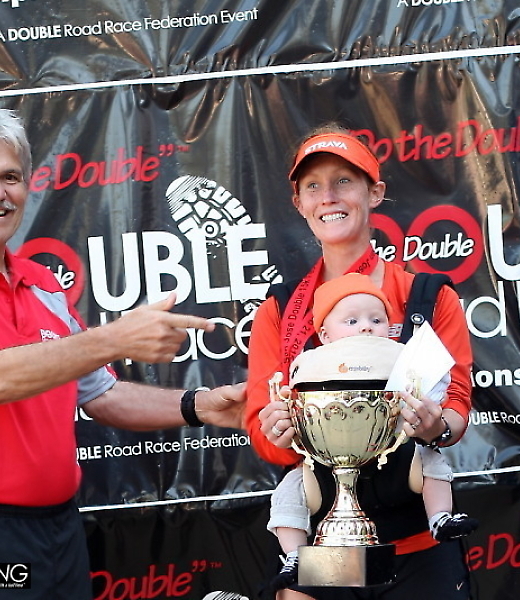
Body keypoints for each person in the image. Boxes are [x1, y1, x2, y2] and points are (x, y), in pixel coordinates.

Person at [0, 108, 246, 600]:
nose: (2, 193)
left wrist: (202, 406)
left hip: (60, 531)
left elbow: (101, 394)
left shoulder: (43, 284)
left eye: (10, 177)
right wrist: (113, 339)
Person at [246, 123, 474, 600]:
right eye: (313, 186)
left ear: (375, 193)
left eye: (344, 181)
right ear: (299, 203)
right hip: (327, 541)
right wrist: (279, 431)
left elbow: (455, 406)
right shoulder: (280, 311)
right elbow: (263, 432)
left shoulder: (428, 297)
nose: (328, 196)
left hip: (418, 542)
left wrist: (435, 427)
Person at [266, 273, 478, 593]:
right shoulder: (307, 362)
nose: (365, 327)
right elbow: (282, 411)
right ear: (323, 334)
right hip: (324, 482)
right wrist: (281, 420)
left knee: (431, 460)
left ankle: (440, 518)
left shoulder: (403, 357)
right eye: (351, 321)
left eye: (376, 320)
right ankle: (294, 555)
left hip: (400, 475)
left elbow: (448, 396)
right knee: (288, 492)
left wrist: (432, 422)